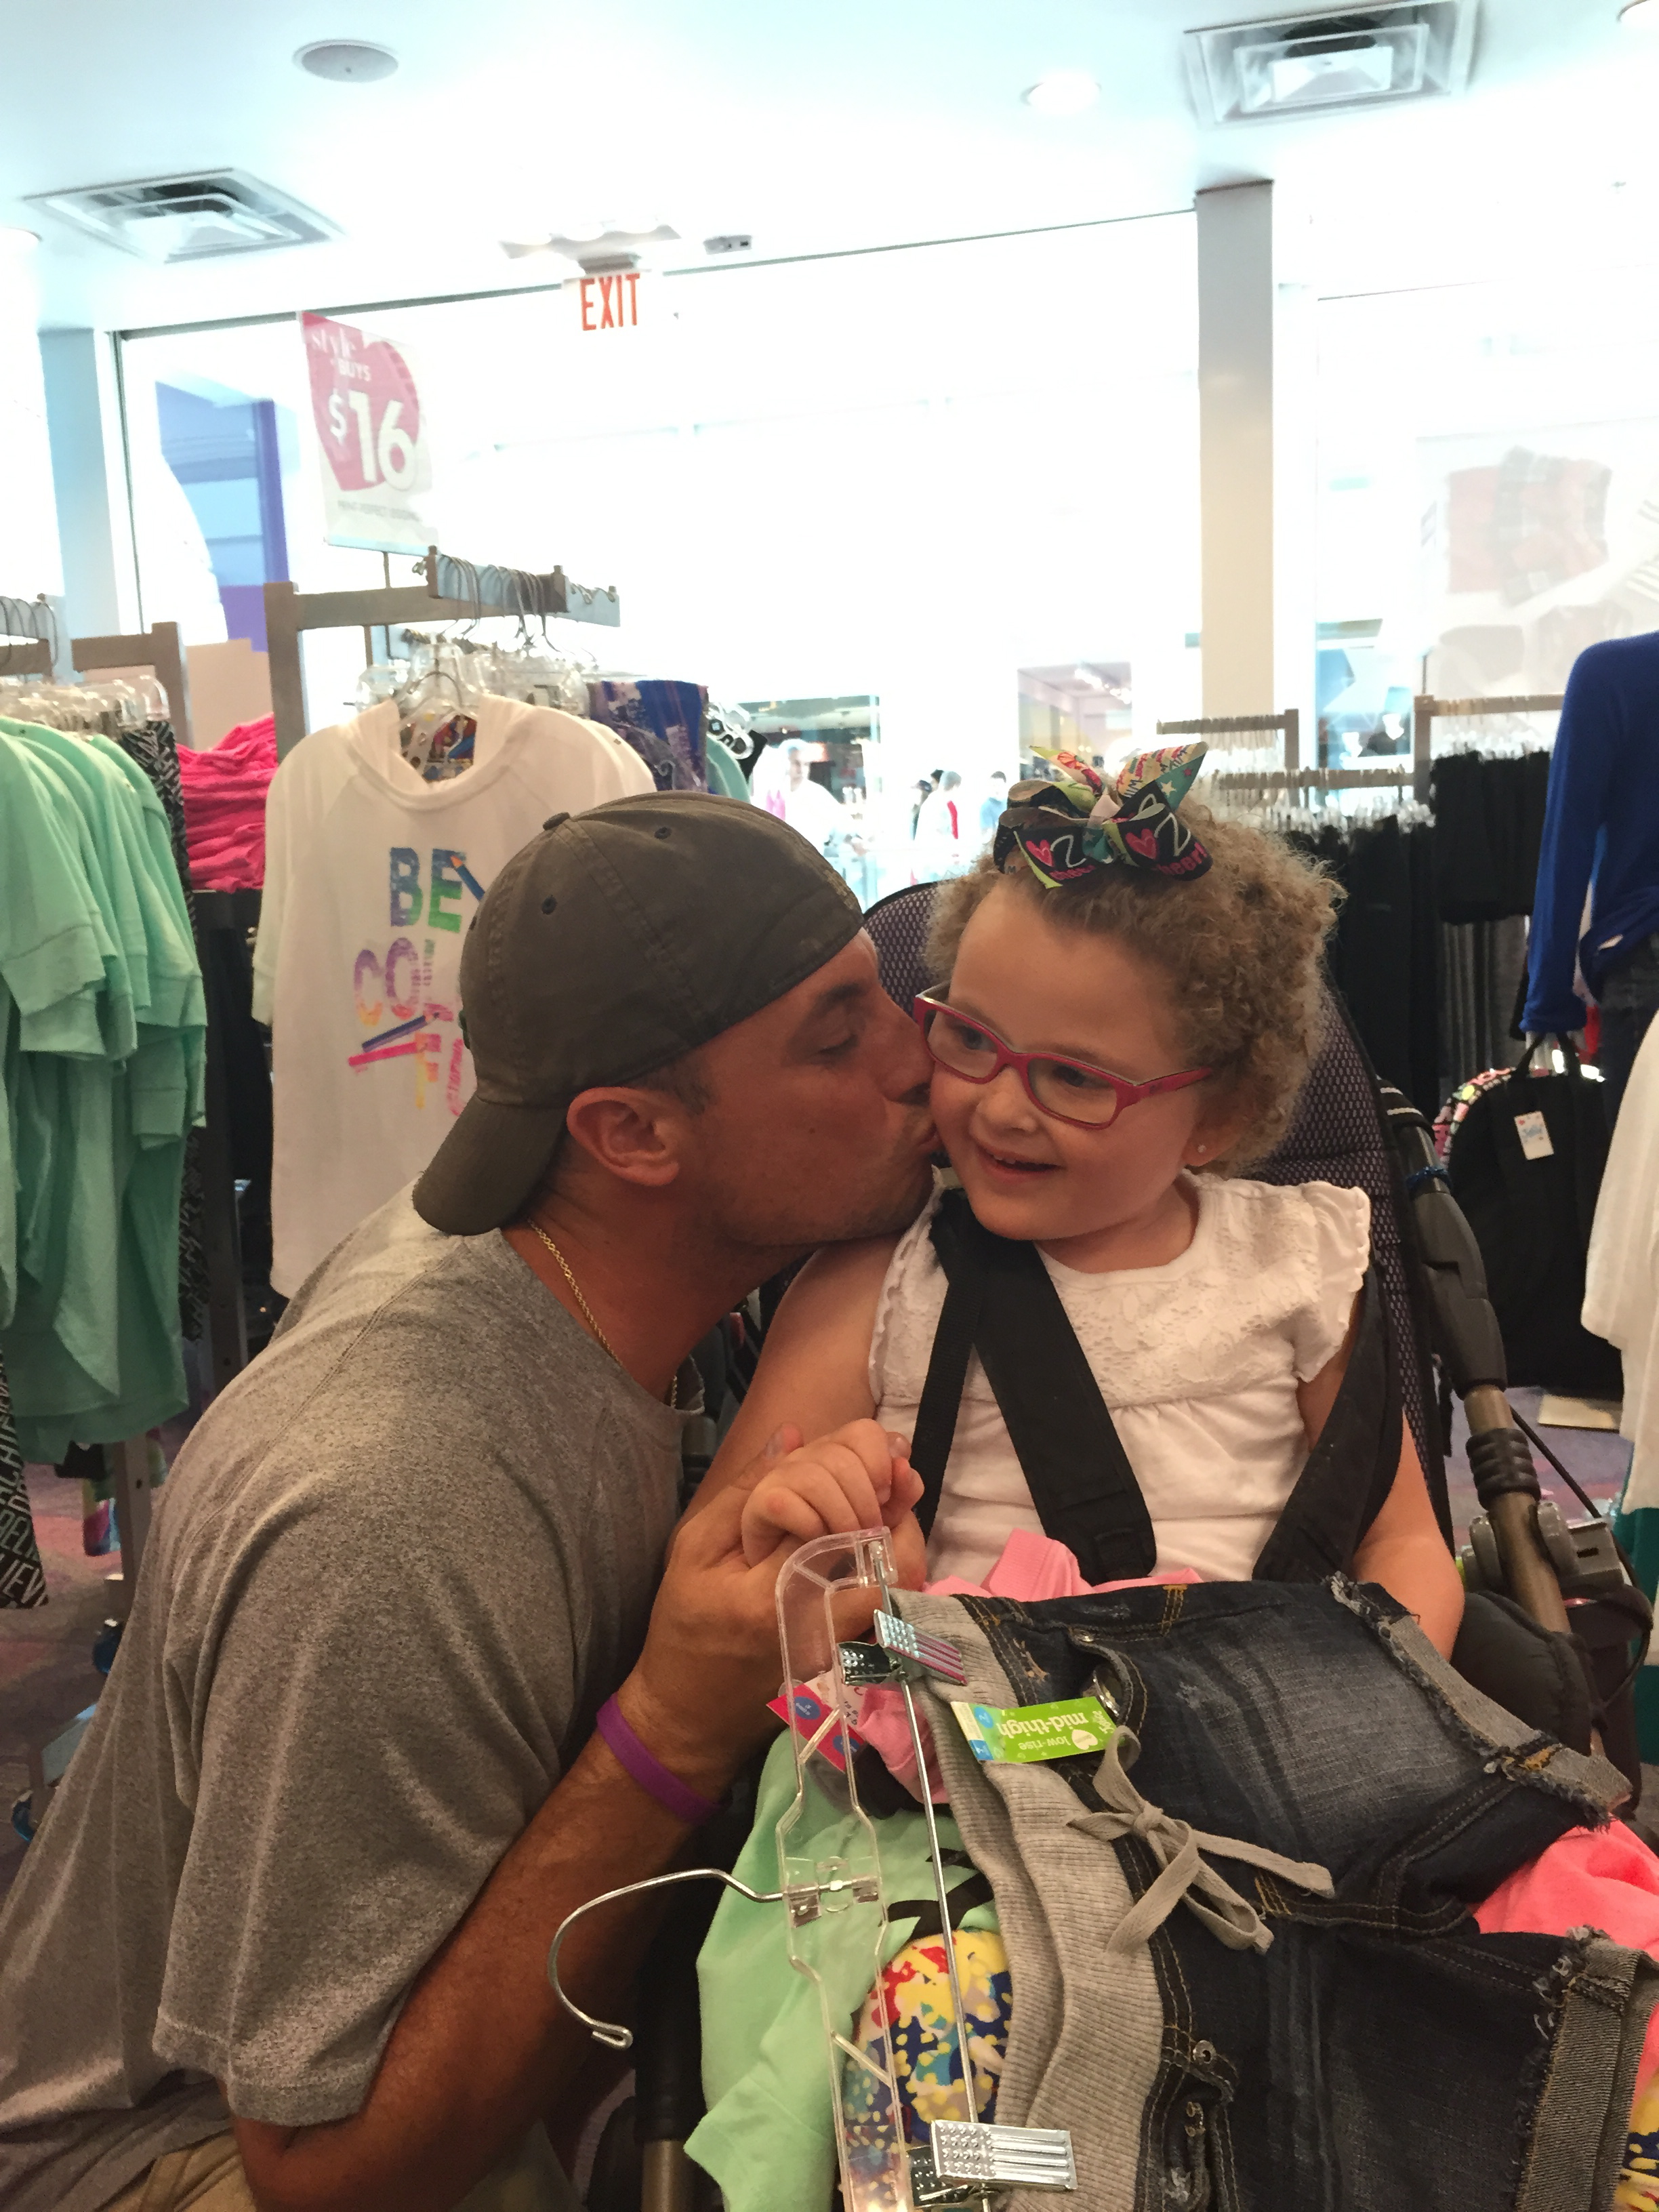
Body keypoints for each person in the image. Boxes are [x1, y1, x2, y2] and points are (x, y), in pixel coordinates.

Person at [0, 794, 937, 2212]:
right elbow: (331, 2171)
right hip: (168, 2152)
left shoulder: (557, 1266)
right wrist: (676, 1726)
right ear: (631, 1132)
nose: (920, 1059)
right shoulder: (398, 1500)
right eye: (836, 1036)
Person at [712, 744, 1465, 1655]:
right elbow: (723, 1555)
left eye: (1073, 1078)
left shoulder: (1298, 1262)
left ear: (1216, 1116)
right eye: (972, 1039)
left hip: (1263, 1711)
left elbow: (1403, 1543)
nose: (1000, 1108)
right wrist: (798, 1513)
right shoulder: (877, 1279)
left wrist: (1371, 1709)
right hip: (957, 1710)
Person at [1523, 630, 1659, 1126]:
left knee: (1641, 1171)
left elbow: (1568, 838)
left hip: (1648, 954)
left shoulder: (1614, 673)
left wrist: (1549, 1000)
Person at [978, 768, 1007, 841]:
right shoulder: (986, 807)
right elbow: (986, 833)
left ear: (1005, 785)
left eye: (999, 785)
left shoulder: (1010, 802)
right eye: (994, 786)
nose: (997, 789)